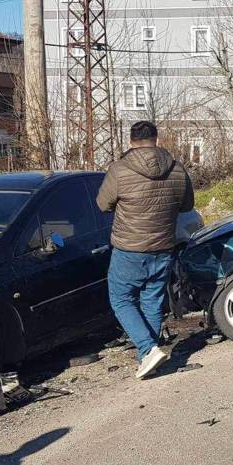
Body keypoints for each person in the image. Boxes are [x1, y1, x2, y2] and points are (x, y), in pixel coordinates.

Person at [97, 121, 195, 377]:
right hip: (163, 246)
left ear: (131, 141)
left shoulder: (119, 170)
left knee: (121, 299)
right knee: (151, 301)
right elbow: (187, 206)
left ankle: (147, 348)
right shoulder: (177, 168)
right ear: (156, 139)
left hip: (130, 248)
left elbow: (102, 204)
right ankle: (148, 358)